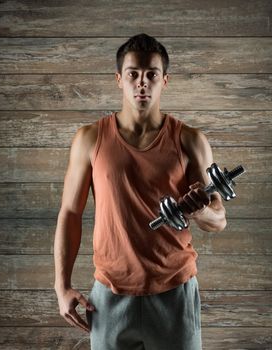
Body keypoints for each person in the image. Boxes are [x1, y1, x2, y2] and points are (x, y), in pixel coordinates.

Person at [54, 33, 227, 350]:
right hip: (109, 294)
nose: (142, 83)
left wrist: (201, 210)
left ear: (165, 81)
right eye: (133, 74)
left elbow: (219, 219)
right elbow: (70, 212)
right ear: (119, 79)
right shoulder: (90, 139)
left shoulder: (191, 140)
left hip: (175, 292)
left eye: (151, 75)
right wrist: (61, 285)